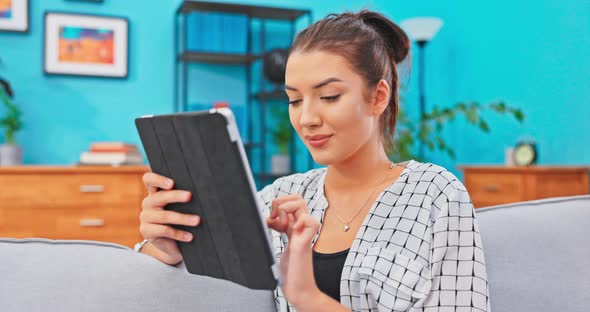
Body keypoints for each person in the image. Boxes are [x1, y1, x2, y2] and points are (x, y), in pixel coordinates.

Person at [137, 9, 490, 312]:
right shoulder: (282, 196)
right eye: (293, 100)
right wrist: (166, 247)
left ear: (378, 97)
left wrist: (308, 298)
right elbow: (165, 283)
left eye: (329, 96)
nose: (306, 118)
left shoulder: (434, 194)